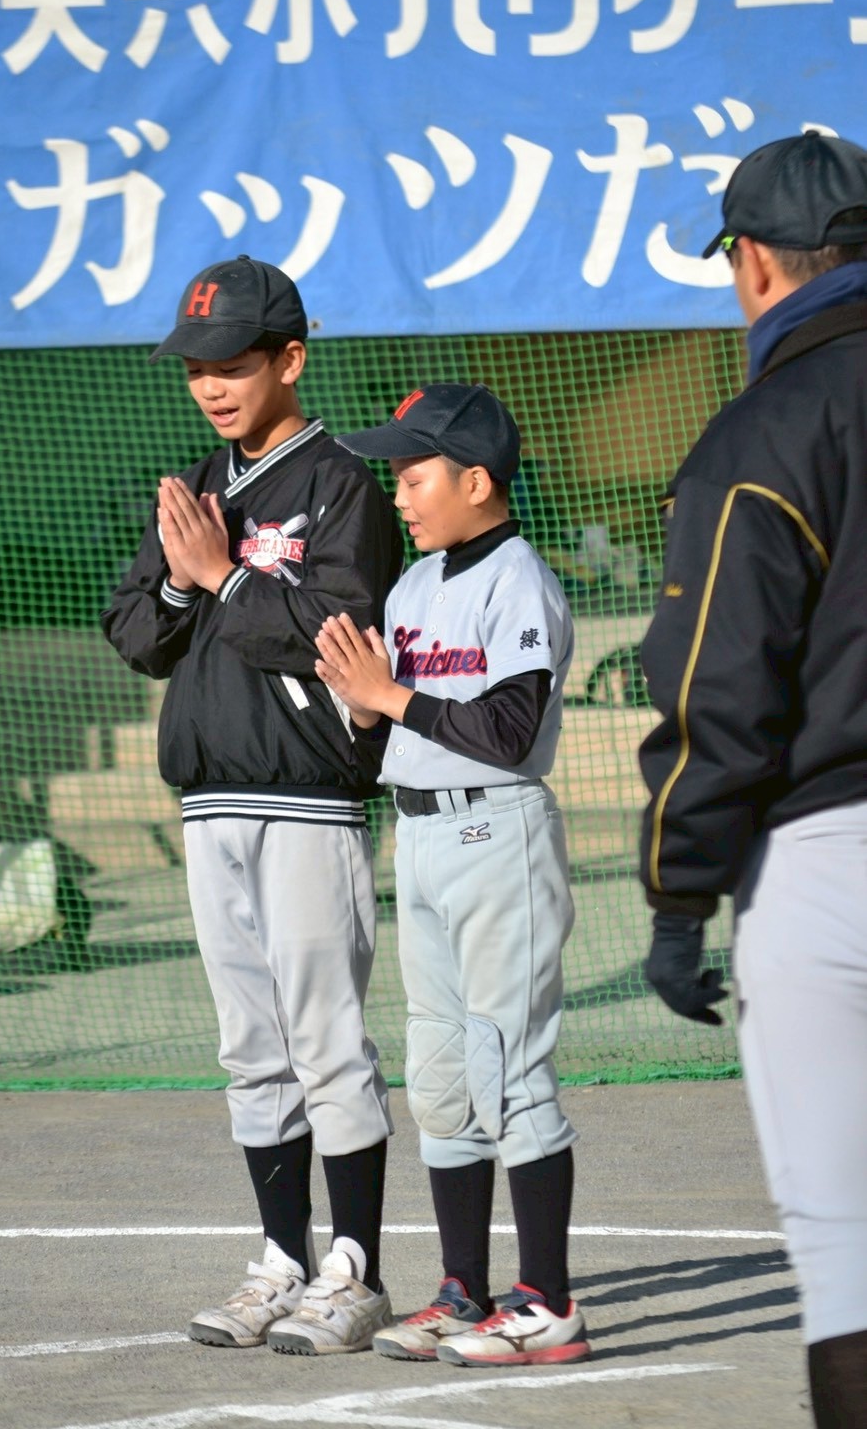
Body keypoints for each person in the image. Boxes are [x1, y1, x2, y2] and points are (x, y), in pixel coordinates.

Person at [101, 254, 403, 1356]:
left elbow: (340, 635)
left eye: (232, 363)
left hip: (310, 798)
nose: (212, 386)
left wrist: (226, 576)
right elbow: (135, 633)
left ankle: (354, 1271)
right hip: (210, 800)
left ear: (290, 359)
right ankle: (282, 1259)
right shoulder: (194, 489)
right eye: (196, 369)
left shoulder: (342, 483)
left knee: (326, 1038)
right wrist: (184, 575)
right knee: (251, 1046)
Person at [637, 131, 867, 1428]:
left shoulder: (763, 428)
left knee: (848, 1252)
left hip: (830, 860)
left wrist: (679, 895)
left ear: (760, 266)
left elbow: (717, 693)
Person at [314, 383, 591, 1368]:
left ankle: (547, 1302)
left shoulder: (519, 579)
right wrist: (363, 705)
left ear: (477, 481)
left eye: (415, 473)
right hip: (422, 834)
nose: (398, 493)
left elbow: (510, 730)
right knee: (439, 1077)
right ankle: (462, 1291)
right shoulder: (413, 587)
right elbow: (400, 722)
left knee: (506, 1065)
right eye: (395, 475)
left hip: (498, 831)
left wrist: (390, 694)